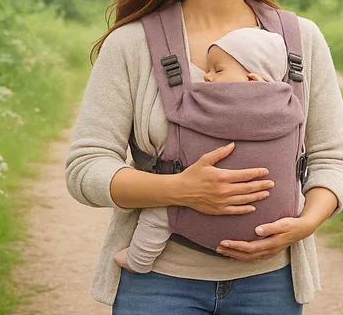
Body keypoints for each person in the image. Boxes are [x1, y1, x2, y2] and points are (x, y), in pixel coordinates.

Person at [65, 0, 343, 315]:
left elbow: (334, 159)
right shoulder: (132, 45)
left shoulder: (301, 40)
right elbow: (86, 168)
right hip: (158, 283)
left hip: (272, 282)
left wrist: (307, 222)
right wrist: (181, 190)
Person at [113, 27, 307, 274]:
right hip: (274, 219)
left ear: (252, 80)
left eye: (218, 70)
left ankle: (138, 260)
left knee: (160, 214)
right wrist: (306, 222)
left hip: (187, 218)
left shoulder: (204, 103)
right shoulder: (290, 107)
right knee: (294, 195)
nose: (206, 77)